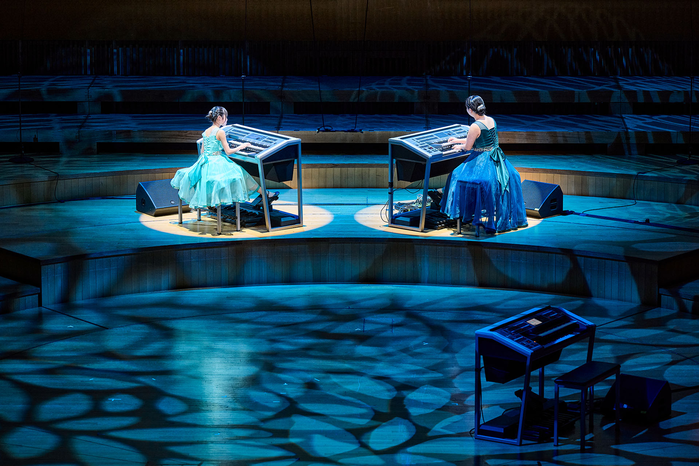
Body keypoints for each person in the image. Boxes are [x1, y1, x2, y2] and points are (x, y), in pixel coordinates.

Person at [440, 95, 528, 233]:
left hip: (483, 160)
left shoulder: (474, 126)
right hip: (496, 157)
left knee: (455, 174)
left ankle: (461, 212)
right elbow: (478, 140)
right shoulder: (491, 120)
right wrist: (457, 140)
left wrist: (459, 146)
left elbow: (468, 147)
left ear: (470, 110)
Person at [171, 106, 268, 210]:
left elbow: (202, 152)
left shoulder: (206, 131)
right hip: (216, 161)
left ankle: (213, 204)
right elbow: (228, 152)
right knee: (241, 173)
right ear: (219, 118)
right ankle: (264, 193)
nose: (226, 119)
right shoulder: (220, 132)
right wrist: (242, 146)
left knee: (234, 175)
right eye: (225, 117)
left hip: (205, 161)